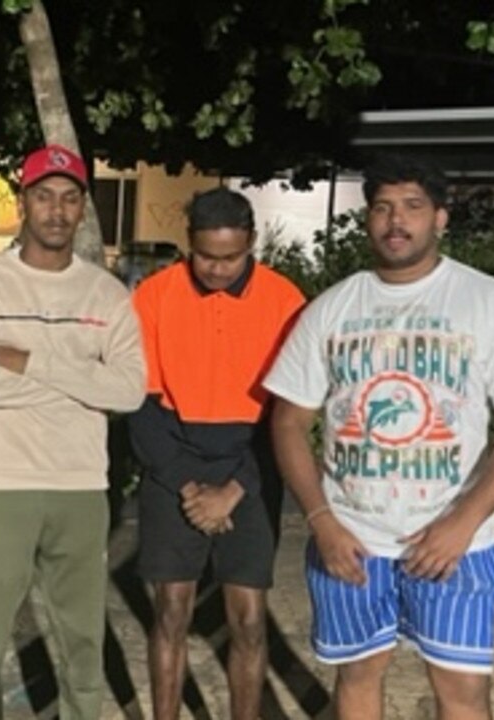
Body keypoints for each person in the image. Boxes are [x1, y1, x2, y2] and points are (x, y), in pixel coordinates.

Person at [263, 155, 494, 720]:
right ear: (368, 219)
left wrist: (463, 521)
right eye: (382, 208)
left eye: (413, 207)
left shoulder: (487, 301)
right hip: (352, 541)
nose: (396, 221)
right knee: (357, 678)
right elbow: (288, 421)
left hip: (454, 545)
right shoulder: (333, 308)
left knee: (463, 693)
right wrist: (322, 521)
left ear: (441, 219)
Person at [0, 144, 146, 720]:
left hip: (82, 485)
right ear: (23, 202)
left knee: (83, 644)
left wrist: (29, 362)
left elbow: (129, 391)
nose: (56, 210)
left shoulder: (106, 293)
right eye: (44, 196)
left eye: (69, 197)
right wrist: (85, 384)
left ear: (83, 206)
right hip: (1, 481)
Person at [129, 187, 305, 720]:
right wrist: (189, 487)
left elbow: (289, 416)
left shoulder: (286, 302)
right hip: (172, 465)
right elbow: (140, 406)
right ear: (189, 244)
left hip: (250, 468)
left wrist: (233, 490)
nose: (218, 269)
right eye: (206, 256)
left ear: (251, 243)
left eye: (231, 257)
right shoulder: (154, 296)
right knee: (170, 610)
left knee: (249, 617)